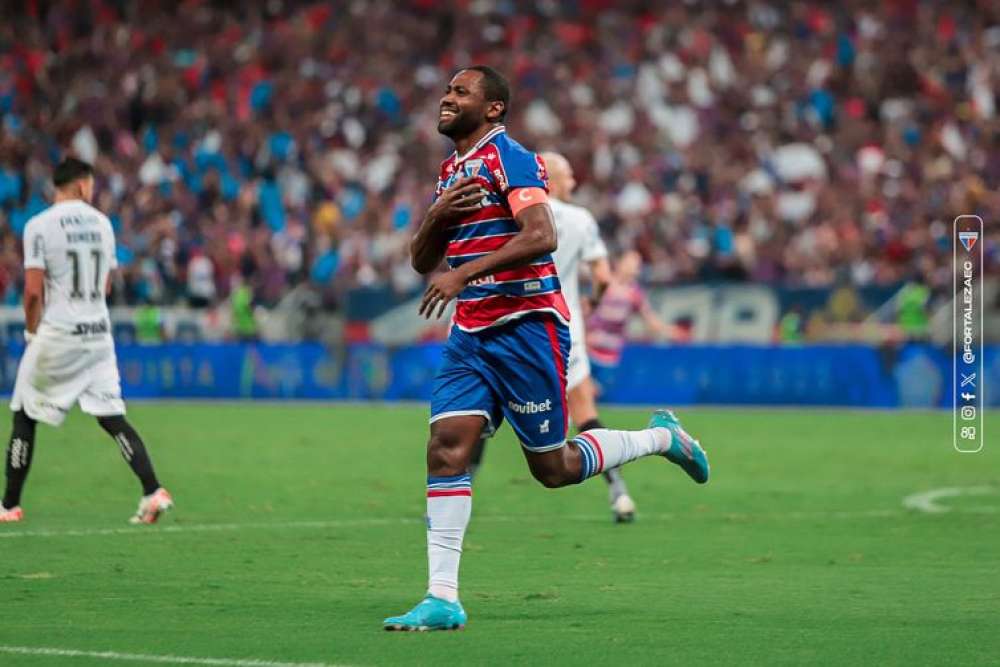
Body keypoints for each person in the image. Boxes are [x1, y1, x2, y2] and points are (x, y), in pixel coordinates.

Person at [383, 66, 709, 632]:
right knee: (446, 447)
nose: (446, 97)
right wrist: (436, 217)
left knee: (552, 469)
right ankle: (442, 597)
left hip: (527, 326)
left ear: (492, 109)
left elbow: (541, 235)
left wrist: (465, 275)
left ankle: (662, 437)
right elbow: (421, 261)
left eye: (461, 92)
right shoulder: (451, 171)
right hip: (471, 335)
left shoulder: (509, 158)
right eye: (447, 89)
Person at [0, 158, 173, 525]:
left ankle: (8, 505)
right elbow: (106, 284)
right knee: (113, 417)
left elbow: (32, 293)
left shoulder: (39, 226)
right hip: (98, 335)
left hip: (60, 334)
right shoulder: (103, 224)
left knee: (24, 414)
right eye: (91, 185)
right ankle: (152, 490)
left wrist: (33, 332)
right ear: (81, 186)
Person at [467, 151, 637, 522]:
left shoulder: (509, 216)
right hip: (563, 331)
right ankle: (619, 493)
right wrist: (590, 302)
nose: (575, 182)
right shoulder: (580, 219)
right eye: (570, 175)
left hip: (509, 330)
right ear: (552, 179)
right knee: (584, 413)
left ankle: (458, 495)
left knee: (480, 413)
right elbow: (604, 278)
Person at [586, 250, 679, 397]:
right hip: (588, 350)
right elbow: (587, 310)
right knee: (579, 391)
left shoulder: (634, 294)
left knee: (592, 393)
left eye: (637, 265)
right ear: (620, 263)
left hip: (610, 356)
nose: (633, 267)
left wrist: (671, 331)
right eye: (630, 263)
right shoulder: (604, 284)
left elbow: (650, 319)